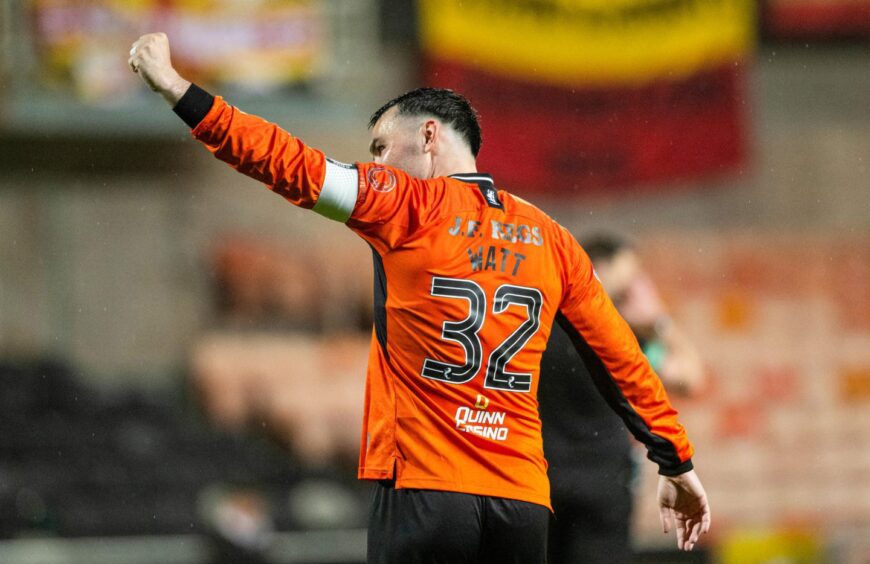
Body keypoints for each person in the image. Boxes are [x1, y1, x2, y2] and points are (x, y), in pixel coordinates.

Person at [127, 33, 711, 564]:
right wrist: (677, 463)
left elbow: (284, 161)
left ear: (429, 135)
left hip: (428, 492)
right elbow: (622, 360)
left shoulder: (402, 204)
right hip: (523, 504)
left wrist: (179, 91)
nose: (377, 161)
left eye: (383, 145)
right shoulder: (552, 238)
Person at [540, 233, 705, 564]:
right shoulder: (619, 336)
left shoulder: (540, 322)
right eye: (628, 274)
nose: (634, 285)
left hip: (540, 482)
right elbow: (689, 377)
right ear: (599, 267)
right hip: (603, 486)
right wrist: (658, 320)